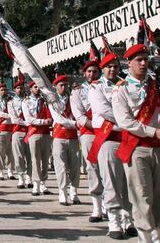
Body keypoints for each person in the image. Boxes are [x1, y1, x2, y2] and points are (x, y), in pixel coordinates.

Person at [112, 43, 160, 243]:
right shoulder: (121, 89)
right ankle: (146, 237)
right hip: (137, 147)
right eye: (138, 60)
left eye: (145, 60)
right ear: (129, 64)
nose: (143, 64)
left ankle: (157, 232)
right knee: (141, 196)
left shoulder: (156, 84)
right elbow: (125, 121)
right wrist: (154, 131)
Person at [89, 47, 136, 239]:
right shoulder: (96, 86)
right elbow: (103, 110)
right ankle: (114, 221)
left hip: (126, 136)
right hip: (109, 137)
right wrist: (125, 119)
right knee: (111, 181)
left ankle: (128, 218)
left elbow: (134, 105)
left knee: (127, 182)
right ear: (102, 68)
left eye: (115, 66)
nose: (112, 70)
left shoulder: (125, 84)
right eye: (108, 67)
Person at [71, 60, 104, 221]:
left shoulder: (106, 87)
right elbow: (79, 115)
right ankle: (97, 207)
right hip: (90, 133)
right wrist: (96, 126)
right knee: (93, 169)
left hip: (108, 133)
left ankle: (109, 205)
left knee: (109, 169)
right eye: (89, 71)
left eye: (95, 71)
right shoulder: (77, 92)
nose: (92, 74)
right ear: (84, 73)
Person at [48, 75, 80, 206]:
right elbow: (59, 119)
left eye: (66, 85)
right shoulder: (52, 101)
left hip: (72, 136)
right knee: (61, 166)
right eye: (61, 85)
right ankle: (62, 192)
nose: (64, 87)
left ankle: (74, 191)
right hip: (59, 136)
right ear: (56, 87)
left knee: (75, 166)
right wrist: (75, 123)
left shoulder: (72, 98)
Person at [22, 81, 52, 196]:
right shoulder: (26, 102)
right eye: (35, 87)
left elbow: (50, 115)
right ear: (30, 89)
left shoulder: (45, 101)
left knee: (45, 160)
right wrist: (44, 121)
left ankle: (44, 183)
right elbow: (29, 119)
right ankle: (36, 184)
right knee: (35, 159)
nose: (38, 89)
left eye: (39, 87)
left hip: (45, 133)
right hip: (34, 133)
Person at [9, 80, 32, 189]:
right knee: (18, 156)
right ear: (15, 90)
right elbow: (14, 119)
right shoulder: (11, 102)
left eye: (22, 88)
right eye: (18, 88)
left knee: (30, 155)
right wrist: (27, 122)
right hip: (18, 131)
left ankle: (29, 177)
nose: (20, 90)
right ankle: (21, 177)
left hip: (30, 131)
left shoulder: (29, 100)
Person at [0, 82, 14, 180]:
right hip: (0, 128)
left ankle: (10, 170)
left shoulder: (10, 101)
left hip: (9, 129)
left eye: (5, 90)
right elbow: (0, 113)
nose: (4, 91)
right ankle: (0, 171)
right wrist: (12, 116)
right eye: (2, 90)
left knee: (10, 151)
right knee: (0, 152)